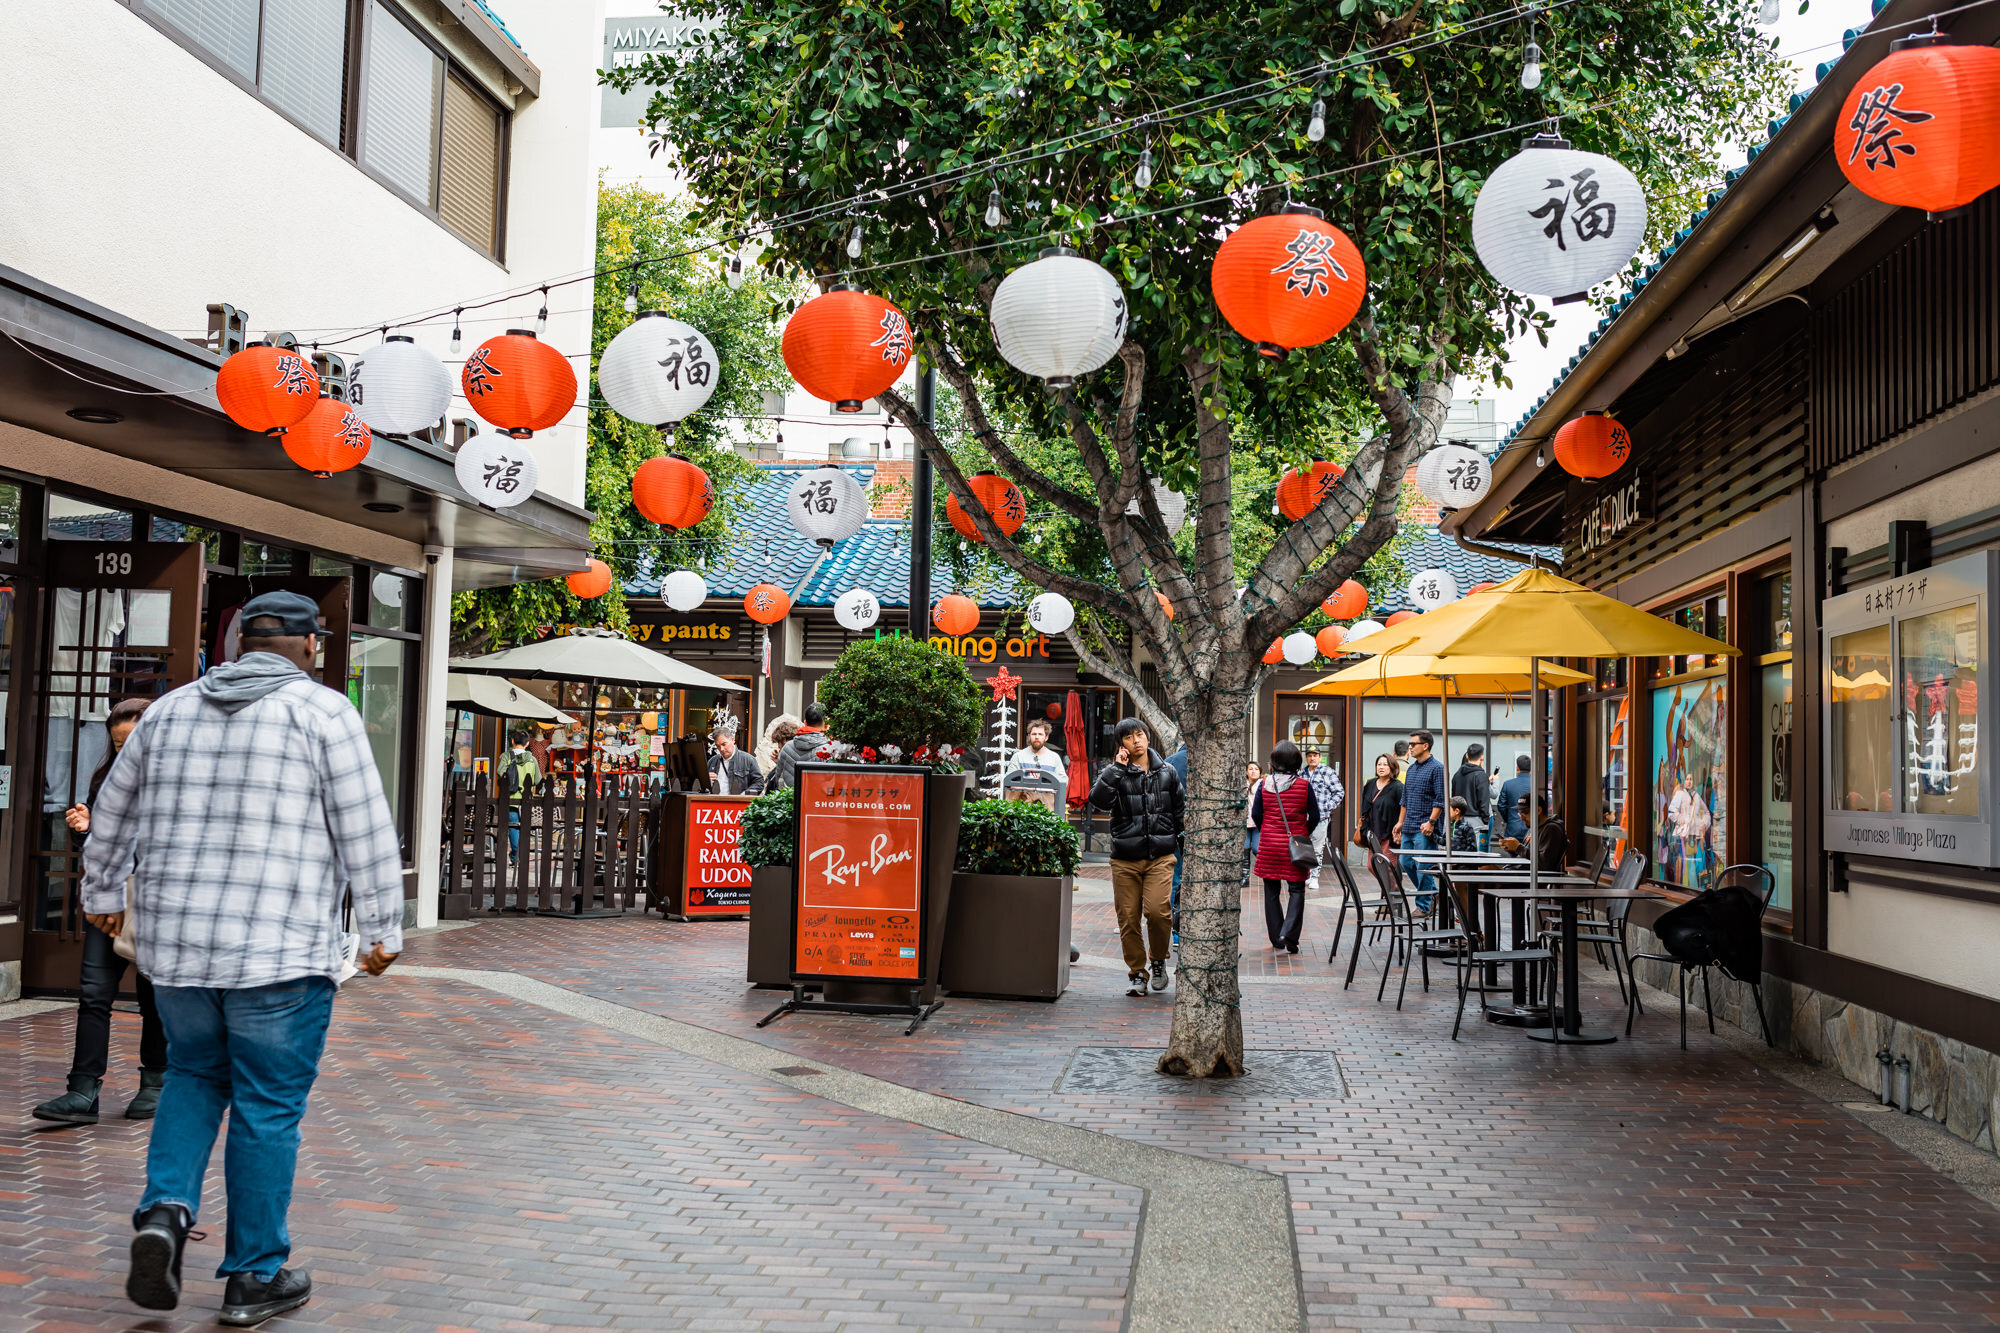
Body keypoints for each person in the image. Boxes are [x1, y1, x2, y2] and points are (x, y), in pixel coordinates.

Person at [81, 591, 403, 1326]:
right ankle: (253, 1274)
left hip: (181, 952)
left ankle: (164, 1213)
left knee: (194, 1074)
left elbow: (114, 811)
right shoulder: (324, 713)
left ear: (235, 644)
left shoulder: (167, 711)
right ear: (310, 646)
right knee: (267, 1107)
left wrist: (102, 892)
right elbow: (364, 826)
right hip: (281, 953)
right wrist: (383, 927)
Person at [32, 697, 165, 1126]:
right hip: (105, 900)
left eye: (132, 742)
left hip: (154, 901)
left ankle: (155, 1083)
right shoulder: (106, 779)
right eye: (118, 745)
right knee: (93, 995)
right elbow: (97, 848)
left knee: (154, 996)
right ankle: (81, 1091)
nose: (125, 752)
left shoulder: (178, 781)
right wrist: (83, 829)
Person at [1088, 719, 1184, 997]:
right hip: (1125, 859)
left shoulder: (1167, 772)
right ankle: (1137, 974)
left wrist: (1180, 844)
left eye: (1139, 734)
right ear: (1122, 745)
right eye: (1129, 737)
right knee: (1128, 918)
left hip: (1160, 856)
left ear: (1148, 737)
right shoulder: (1115, 773)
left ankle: (1157, 961)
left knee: (1157, 912)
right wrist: (1117, 769)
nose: (1136, 740)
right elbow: (1099, 800)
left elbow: (1179, 812)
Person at [1250, 742, 1320, 954]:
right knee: (1297, 890)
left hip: (1269, 845)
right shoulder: (1303, 785)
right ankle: (1289, 933)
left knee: (1271, 891)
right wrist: (1302, 832)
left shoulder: (1264, 785)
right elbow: (1315, 816)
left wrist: (1268, 830)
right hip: (1295, 846)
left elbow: (1256, 814)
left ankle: (1277, 938)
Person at [1399, 729, 1447, 913]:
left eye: (1413, 744)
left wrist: (1431, 822)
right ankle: (1434, 892)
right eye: (1409, 744)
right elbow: (1405, 798)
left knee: (1423, 866)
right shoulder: (1411, 769)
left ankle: (1423, 907)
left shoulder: (1437, 768)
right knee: (1406, 863)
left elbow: (1440, 799)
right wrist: (1399, 823)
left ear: (1425, 746)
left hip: (1425, 828)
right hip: (1409, 825)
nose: (1409, 747)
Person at [1302, 749, 1344, 890]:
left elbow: (1339, 791)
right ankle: (1307, 874)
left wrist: (1328, 806)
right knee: (1305, 847)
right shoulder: (1302, 773)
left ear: (1320, 757)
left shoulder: (1327, 772)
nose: (1312, 758)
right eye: (1309, 756)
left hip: (1321, 817)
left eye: (1315, 756)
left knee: (1317, 848)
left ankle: (1314, 877)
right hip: (1304, 817)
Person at [498, 729, 540, 863]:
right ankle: (518, 855)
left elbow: (500, 773)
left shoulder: (506, 756)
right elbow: (537, 780)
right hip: (527, 799)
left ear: (512, 741)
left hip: (511, 799)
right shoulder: (532, 759)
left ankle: (516, 856)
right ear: (527, 743)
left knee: (514, 828)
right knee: (524, 829)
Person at [766, 703, 830, 790]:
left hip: (790, 801)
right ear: (826, 724)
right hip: (816, 801)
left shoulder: (786, 748)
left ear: (805, 723)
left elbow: (779, 781)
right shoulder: (828, 750)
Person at [1163, 742, 1188, 943]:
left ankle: (1176, 929)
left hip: (1174, 829)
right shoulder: (1211, 762)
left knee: (1176, 877)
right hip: (1207, 832)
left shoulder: (1170, 762)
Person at [1355, 754, 1403, 853]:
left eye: (1385, 764)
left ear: (1392, 767)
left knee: (1386, 866)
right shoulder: (1370, 784)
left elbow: (1404, 808)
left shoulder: (1398, 787)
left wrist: (1400, 826)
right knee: (1371, 866)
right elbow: (1364, 807)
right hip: (1372, 833)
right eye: (1379, 764)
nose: (1381, 767)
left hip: (1389, 835)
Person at [1451, 743, 1492, 850]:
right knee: (1476, 853)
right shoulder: (1481, 775)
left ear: (1467, 756)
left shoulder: (1457, 775)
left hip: (1459, 820)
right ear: (1482, 757)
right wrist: (1486, 821)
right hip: (1476, 820)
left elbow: (1453, 798)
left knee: (1460, 852)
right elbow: (1483, 801)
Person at [1008, 719, 1068, 786]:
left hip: (1047, 795)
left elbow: (1063, 782)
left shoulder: (1054, 758)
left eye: (1040, 734)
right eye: (1034, 734)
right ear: (1029, 736)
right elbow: (1010, 781)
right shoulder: (1018, 757)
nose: (1037, 737)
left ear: (1046, 737)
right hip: (1024, 796)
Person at [707, 727, 764, 796]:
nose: (721, 749)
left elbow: (759, 783)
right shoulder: (712, 761)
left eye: (724, 744)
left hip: (738, 804)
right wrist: (708, 781)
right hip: (714, 803)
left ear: (732, 740)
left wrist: (743, 796)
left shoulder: (748, 759)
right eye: (718, 746)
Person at [1498, 752, 1533, 842]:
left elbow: (1501, 805)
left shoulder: (1508, 784)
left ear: (1517, 768)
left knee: (1512, 854)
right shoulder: (1536, 785)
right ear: (1531, 768)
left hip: (1512, 828)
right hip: (1531, 830)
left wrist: (1508, 819)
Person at [1241, 761, 1263, 886]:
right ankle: (1245, 877)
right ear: (1246, 772)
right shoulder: (1242, 785)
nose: (1253, 771)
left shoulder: (1263, 785)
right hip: (1244, 823)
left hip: (1257, 824)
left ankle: (1266, 871)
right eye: (1250, 769)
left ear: (1260, 772)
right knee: (1245, 848)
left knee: (1256, 849)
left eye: (1256, 769)